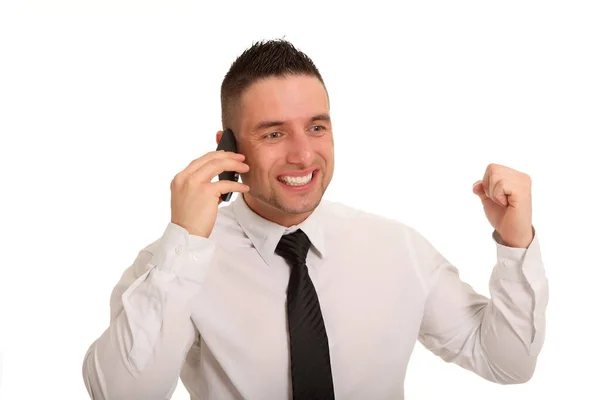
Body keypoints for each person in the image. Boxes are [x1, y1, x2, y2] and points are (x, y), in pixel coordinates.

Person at [82, 39, 548, 400]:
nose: (303, 154)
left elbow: (506, 362)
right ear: (228, 147)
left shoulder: (396, 248)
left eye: (317, 127)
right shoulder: (175, 265)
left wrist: (514, 241)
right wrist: (184, 240)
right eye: (274, 132)